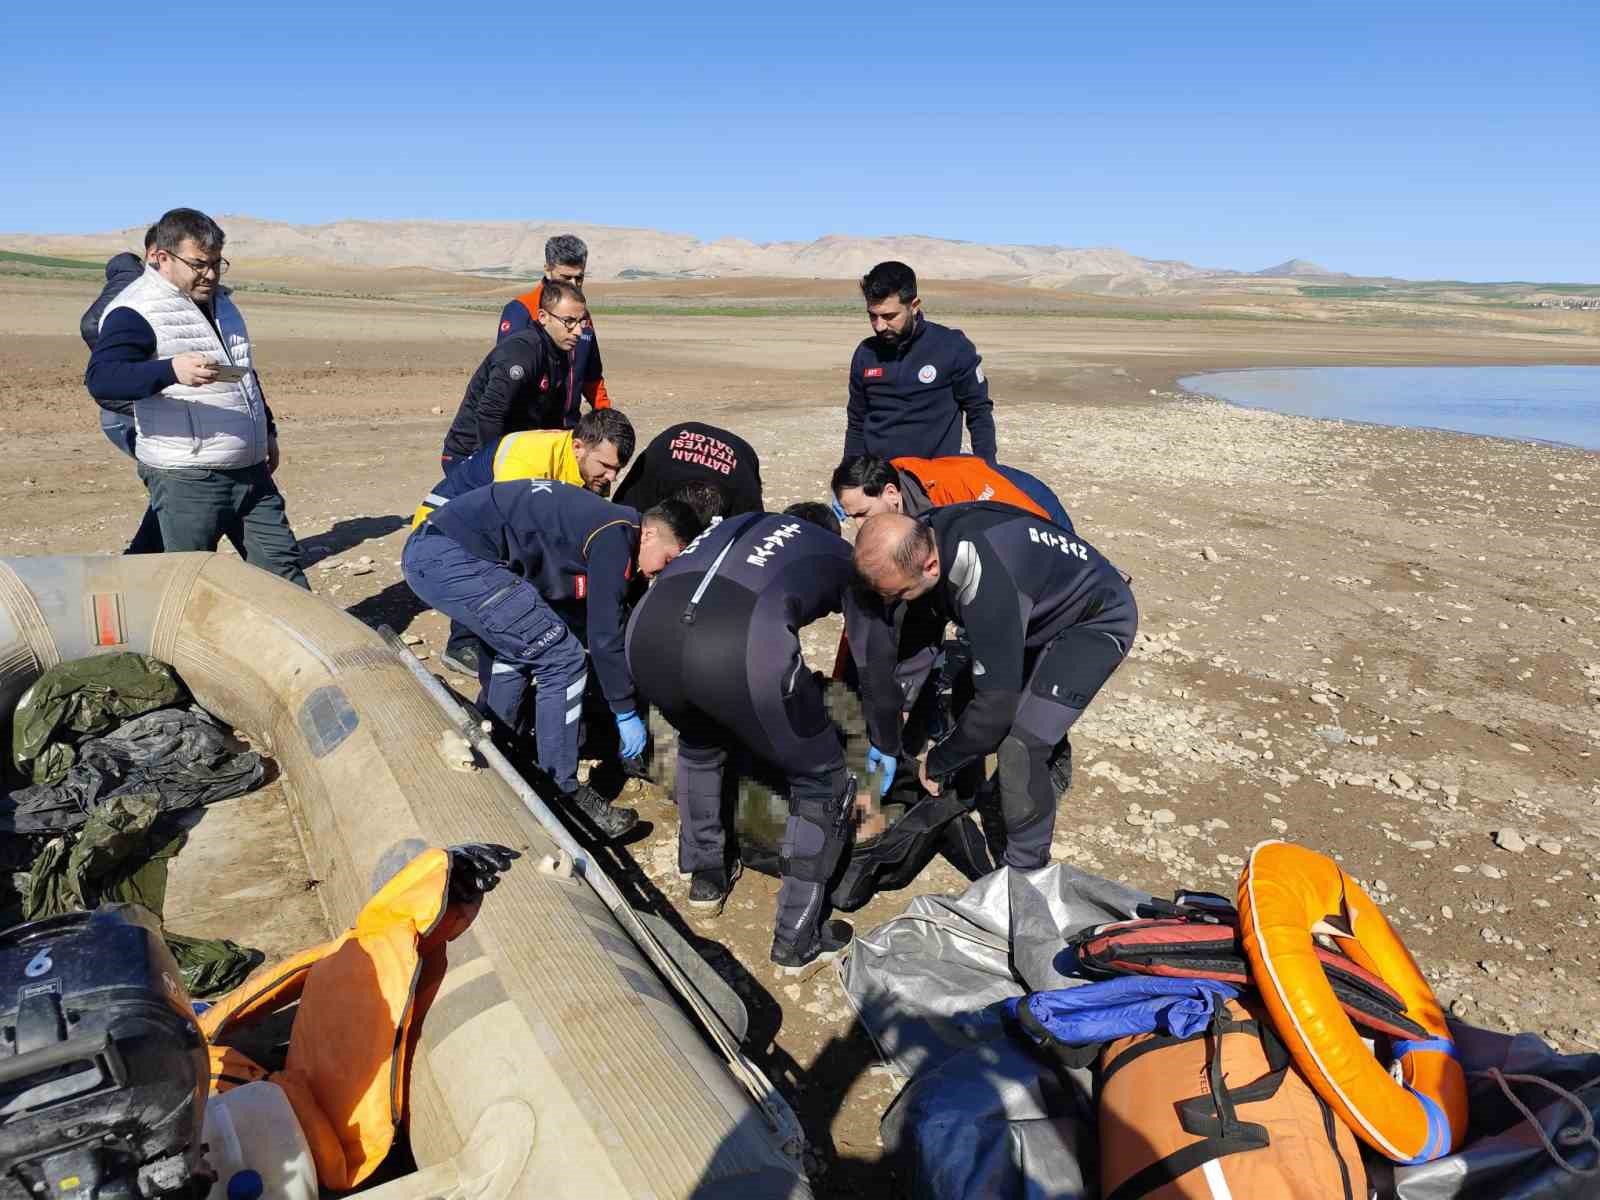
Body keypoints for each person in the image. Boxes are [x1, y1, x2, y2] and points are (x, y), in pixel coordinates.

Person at [626, 502, 902, 974]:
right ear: (830, 532)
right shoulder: (837, 552)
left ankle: (705, 877)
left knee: (699, 744)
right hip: (739, 650)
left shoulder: (735, 525)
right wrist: (887, 739)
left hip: (648, 638)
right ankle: (797, 943)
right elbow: (873, 661)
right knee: (823, 784)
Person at [402, 480, 702, 837]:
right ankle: (563, 791)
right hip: (450, 557)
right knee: (562, 657)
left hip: (436, 552)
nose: (660, 574)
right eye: (668, 560)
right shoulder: (616, 535)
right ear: (650, 535)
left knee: (527, 643)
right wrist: (623, 711)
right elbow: (604, 635)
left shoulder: (610, 528)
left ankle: (498, 750)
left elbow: (615, 621)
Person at [853, 506, 1137, 870]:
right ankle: (967, 794)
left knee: (1021, 745)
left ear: (930, 567)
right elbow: (920, 630)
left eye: (899, 593)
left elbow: (994, 712)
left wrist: (938, 762)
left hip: (1096, 619)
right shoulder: (923, 534)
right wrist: (894, 720)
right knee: (966, 696)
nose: (893, 601)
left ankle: (1024, 873)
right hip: (1032, 604)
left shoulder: (980, 578)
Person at [85, 208, 306, 587]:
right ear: (162, 258)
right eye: (199, 264)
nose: (211, 274)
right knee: (184, 586)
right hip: (189, 476)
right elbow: (102, 379)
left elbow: (244, 373)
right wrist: (170, 371)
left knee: (284, 575)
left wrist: (267, 429)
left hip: (250, 470)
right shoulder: (134, 310)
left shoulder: (222, 303)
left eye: (218, 263)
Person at [412, 409, 637, 677]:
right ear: (578, 447)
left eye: (618, 469)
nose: (612, 477)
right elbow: (510, 534)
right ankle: (463, 645)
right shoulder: (526, 458)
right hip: (442, 530)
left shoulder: (587, 464)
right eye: (607, 466)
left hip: (483, 526)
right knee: (506, 576)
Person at [843, 262, 996, 463]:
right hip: (876, 477)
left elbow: (979, 412)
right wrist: (850, 475)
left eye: (889, 316)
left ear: (914, 306)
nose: (879, 326)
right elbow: (856, 421)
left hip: (933, 479)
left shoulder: (952, 347)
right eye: (872, 316)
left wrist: (986, 471)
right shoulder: (866, 353)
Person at [440, 280, 588, 469]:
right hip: (471, 453)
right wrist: (495, 468)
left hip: (513, 450)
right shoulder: (522, 352)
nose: (578, 331)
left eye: (581, 322)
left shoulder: (558, 353)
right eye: (569, 321)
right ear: (543, 317)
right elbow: (489, 414)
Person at [80, 225, 163, 554]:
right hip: (132, 410)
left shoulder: (119, 287)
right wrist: (128, 369)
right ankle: (142, 561)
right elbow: (91, 326)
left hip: (115, 411)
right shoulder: (137, 290)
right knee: (174, 487)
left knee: (175, 487)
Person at [495, 234, 612, 419]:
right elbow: (505, 376)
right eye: (566, 277)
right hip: (529, 430)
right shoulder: (521, 310)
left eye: (579, 278)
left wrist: (605, 414)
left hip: (569, 428)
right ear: (548, 270)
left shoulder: (583, 315)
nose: (574, 285)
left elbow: (592, 376)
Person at [831, 454, 1073, 530]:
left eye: (863, 513)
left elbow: (1028, 531)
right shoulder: (893, 491)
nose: (860, 526)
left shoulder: (954, 493)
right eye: (853, 517)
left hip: (1030, 506)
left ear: (892, 493)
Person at [611, 421, 763, 517]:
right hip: (671, 442)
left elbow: (754, 534)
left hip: (740, 451)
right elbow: (623, 513)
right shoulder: (657, 462)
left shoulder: (743, 487)